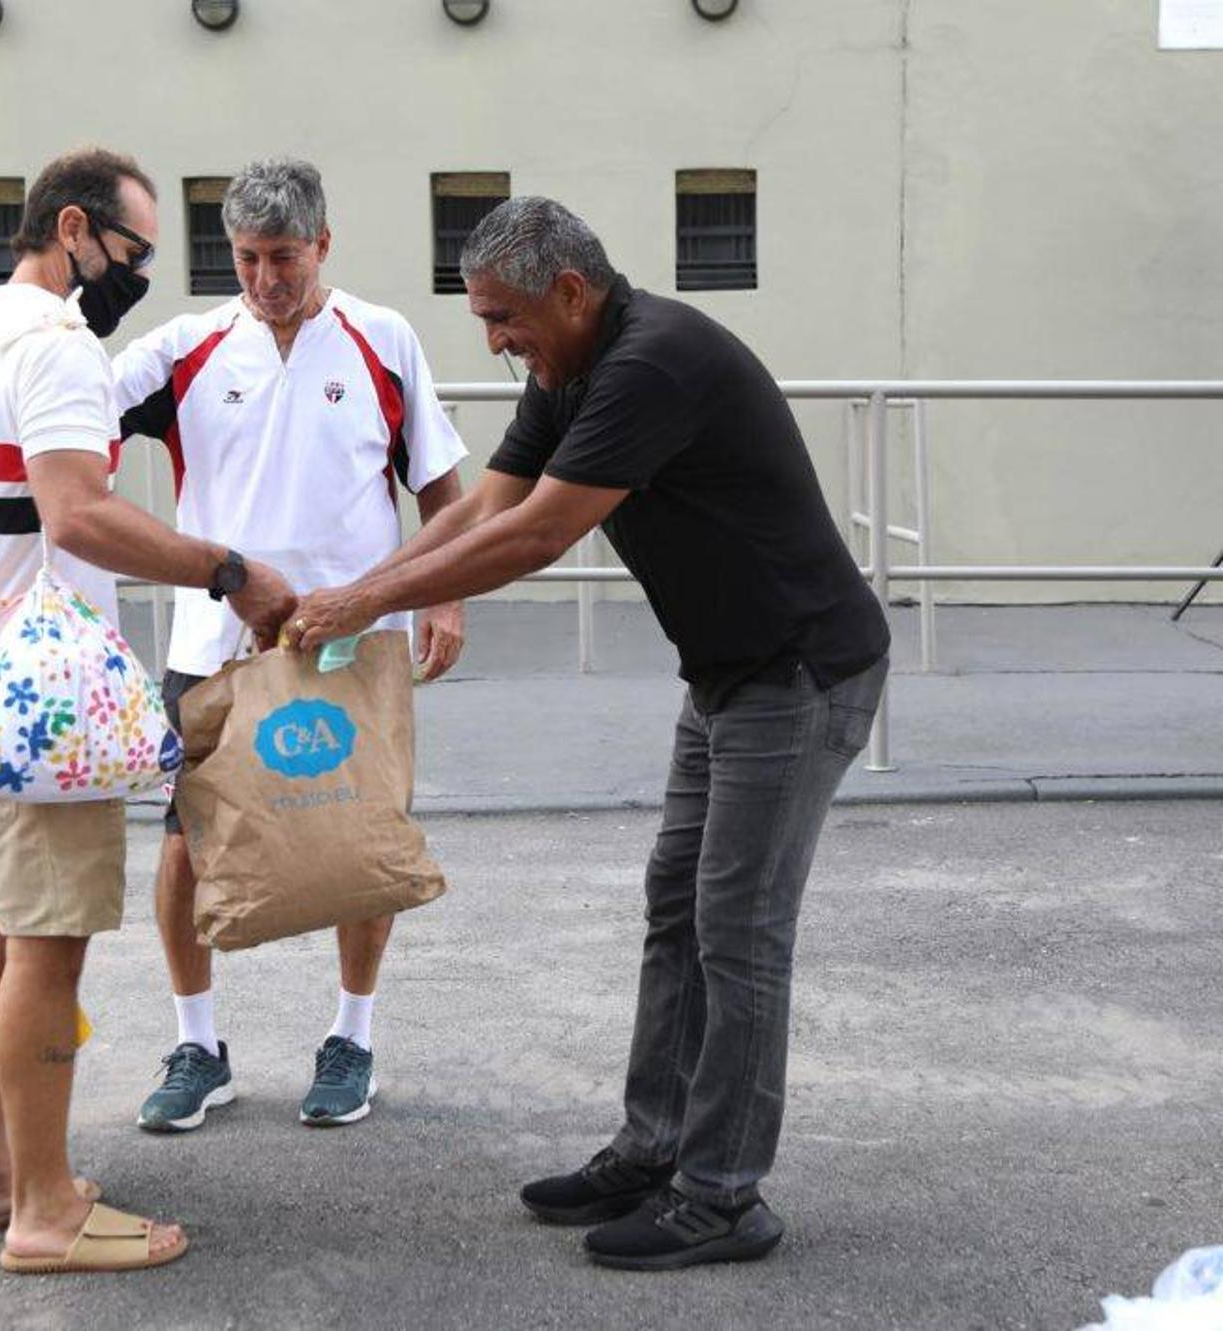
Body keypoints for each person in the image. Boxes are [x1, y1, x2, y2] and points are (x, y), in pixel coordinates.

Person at [284, 196, 891, 1271]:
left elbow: (541, 535)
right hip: (729, 675)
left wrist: (356, 604)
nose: (496, 341)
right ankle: (656, 1149)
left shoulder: (651, 363)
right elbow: (485, 505)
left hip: (798, 673)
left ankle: (723, 1195)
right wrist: (366, 590)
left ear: (570, 291)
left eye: (505, 317)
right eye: (482, 320)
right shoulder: (565, 371)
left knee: (739, 930)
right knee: (678, 908)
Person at [0, 157, 469, 1134]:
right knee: (185, 843)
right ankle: (198, 1041)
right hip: (213, 639)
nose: (266, 278)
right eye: (249, 257)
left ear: (324, 245)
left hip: (351, 634)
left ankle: (352, 1033)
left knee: (360, 838)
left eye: (286, 257)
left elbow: (440, 487)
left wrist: (445, 599)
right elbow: (69, 406)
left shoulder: (384, 340)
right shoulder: (184, 347)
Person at [0, 147, 296, 1275]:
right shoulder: (59, 346)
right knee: (46, 950)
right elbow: (78, 514)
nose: (135, 275)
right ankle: (44, 1211)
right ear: (71, 228)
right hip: (35, 712)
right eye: (129, 251)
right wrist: (229, 570)